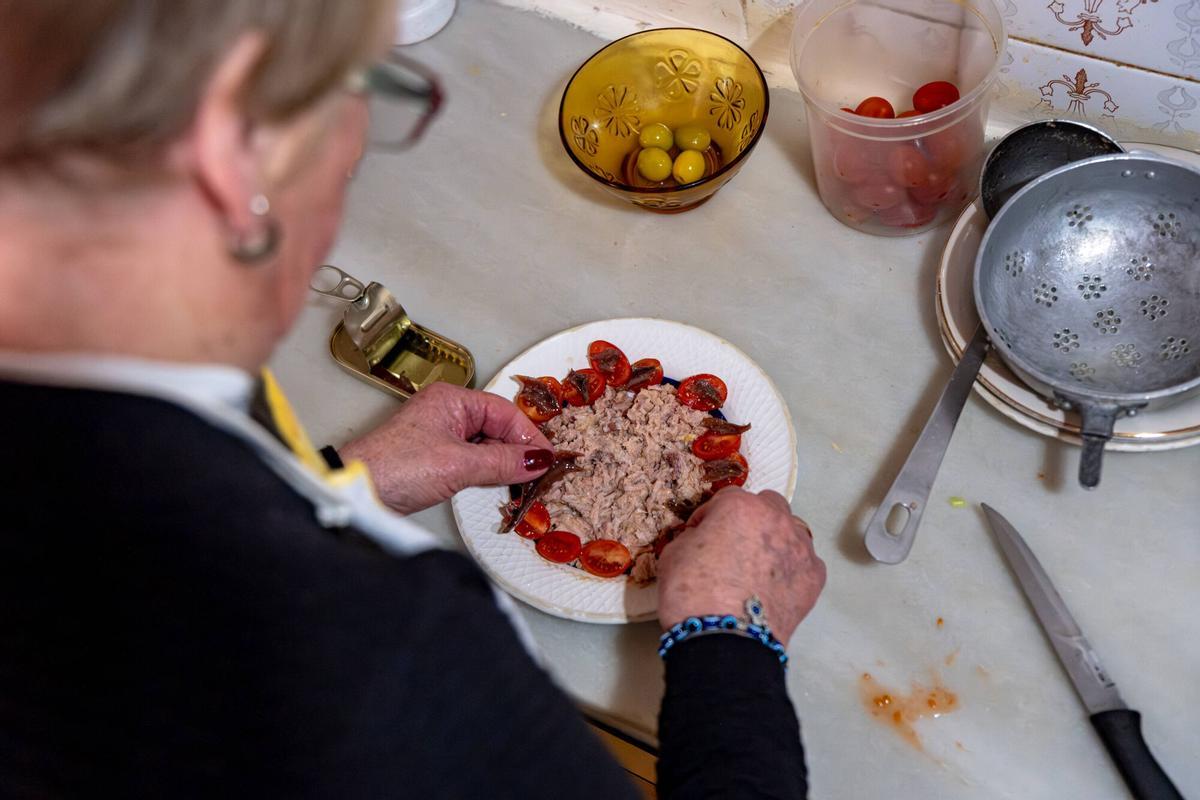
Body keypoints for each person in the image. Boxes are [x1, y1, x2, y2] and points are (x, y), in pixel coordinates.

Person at [0, 1, 827, 797]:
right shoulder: (385, 663)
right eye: (359, 89)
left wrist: (342, 481)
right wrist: (729, 633)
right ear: (230, 163)